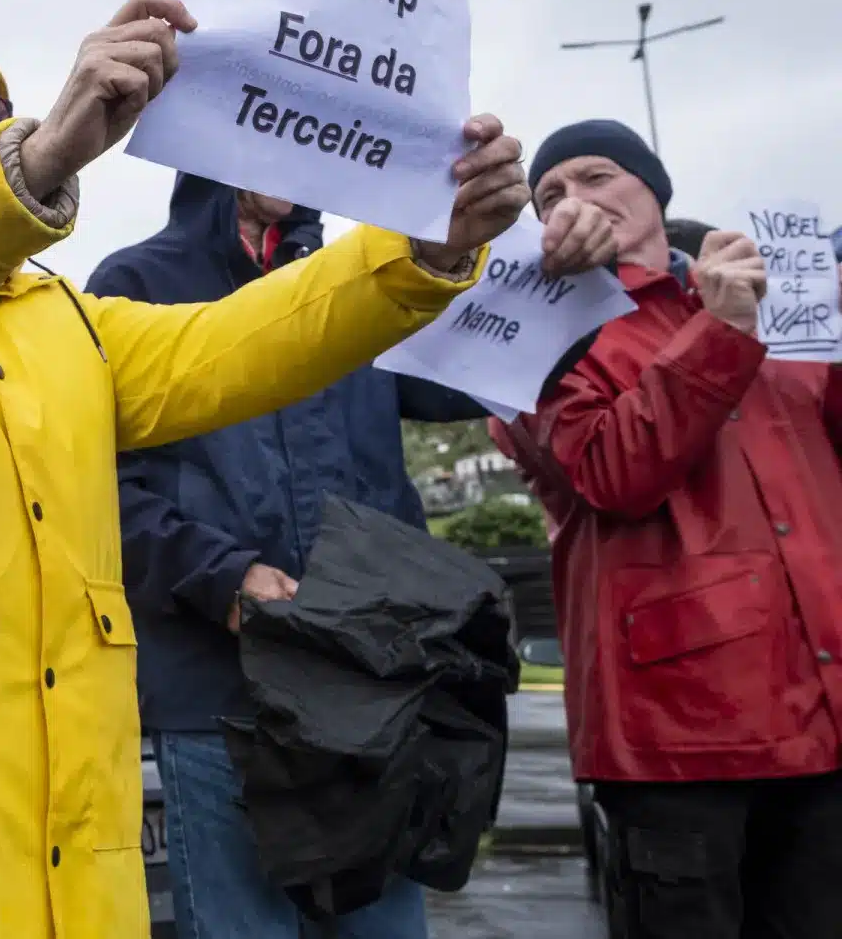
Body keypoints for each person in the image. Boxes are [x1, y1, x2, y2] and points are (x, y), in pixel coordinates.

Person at [0, 0, 531, 938]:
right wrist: (39, 158)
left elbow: (243, 339)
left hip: (77, 885)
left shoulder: (68, 326)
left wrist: (418, 246)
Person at [84, 175, 614, 939]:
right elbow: (102, 482)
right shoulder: (133, 284)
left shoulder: (372, 281)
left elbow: (496, 369)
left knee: (386, 924)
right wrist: (222, 578)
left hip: (370, 692)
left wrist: (572, 271)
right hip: (216, 701)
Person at [492, 119, 842, 939]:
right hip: (679, 734)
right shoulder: (538, 330)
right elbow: (615, 474)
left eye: (597, 176)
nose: (574, 200)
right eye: (550, 195)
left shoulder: (777, 310)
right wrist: (720, 334)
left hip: (823, 721)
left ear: (654, 189)